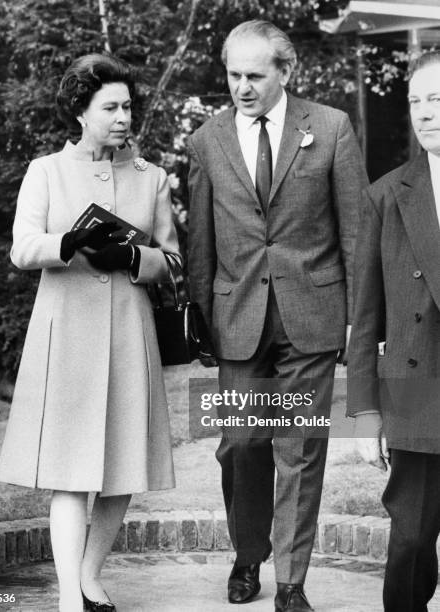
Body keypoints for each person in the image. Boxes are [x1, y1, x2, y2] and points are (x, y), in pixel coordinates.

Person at [188, 19, 368, 611]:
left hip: (312, 315)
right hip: (237, 316)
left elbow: (356, 231)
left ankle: (291, 582)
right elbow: (202, 243)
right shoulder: (207, 140)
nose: (241, 87)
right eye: (233, 75)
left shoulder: (332, 127)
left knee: (299, 447)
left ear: (285, 72)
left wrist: (357, 320)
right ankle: (247, 554)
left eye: (253, 76)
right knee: (241, 445)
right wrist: (202, 318)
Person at [0, 53, 180, 612]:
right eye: (110, 107)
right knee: (71, 473)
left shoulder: (151, 178)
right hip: (67, 334)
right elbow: (21, 247)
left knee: (123, 470)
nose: (124, 116)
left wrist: (134, 256)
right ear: (81, 110)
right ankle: (68, 601)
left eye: (128, 106)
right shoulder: (46, 172)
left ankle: (89, 576)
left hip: (128, 331)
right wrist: (67, 243)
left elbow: (173, 262)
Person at [348, 50, 440, 612]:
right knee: (409, 542)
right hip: (415, 388)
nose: (426, 113)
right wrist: (364, 415)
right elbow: (366, 316)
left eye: (439, 99)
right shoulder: (386, 195)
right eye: (417, 101)